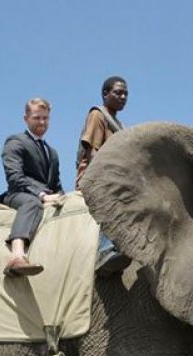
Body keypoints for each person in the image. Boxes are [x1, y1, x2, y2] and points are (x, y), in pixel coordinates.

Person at [0, 97, 64, 277]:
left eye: (45, 118)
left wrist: (64, 198)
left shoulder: (52, 153)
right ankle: (17, 255)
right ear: (26, 118)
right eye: (37, 118)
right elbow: (15, 177)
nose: (42, 122)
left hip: (46, 196)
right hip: (19, 195)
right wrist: (42, 195)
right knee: (32, 203)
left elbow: (57, 185)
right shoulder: (15, 142)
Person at [75, 76, 132, 276]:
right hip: (94, 176)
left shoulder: (120, 125)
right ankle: (104, 249)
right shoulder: (98, 115)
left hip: (114, 177)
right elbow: (93, 152)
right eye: (118, 92)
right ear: (105, 94)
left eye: (126, 93)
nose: (123, 96)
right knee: (112, 202)